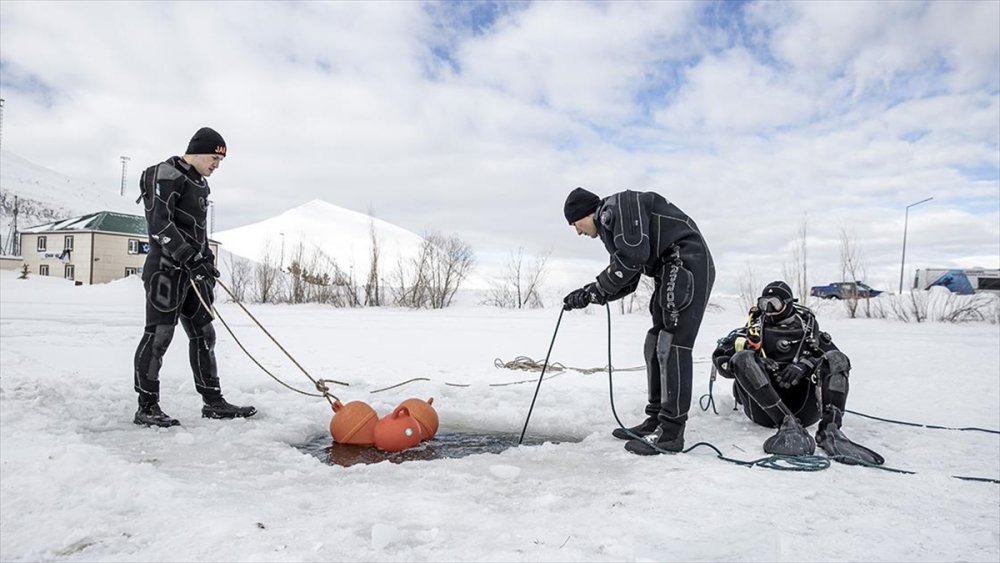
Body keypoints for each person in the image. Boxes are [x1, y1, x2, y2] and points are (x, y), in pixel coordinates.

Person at [562, 187, 715, 455]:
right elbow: (628, 278)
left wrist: (597, 287)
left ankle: (671, 432)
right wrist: (589, 294)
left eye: (576, 224)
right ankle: (656, 418)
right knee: (654, 341)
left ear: (586, 213)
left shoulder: (620, 207)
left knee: (673, 342)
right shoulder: (612, 226)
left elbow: (632, 257)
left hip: (687, 261)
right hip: (669, 267)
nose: (578, 232)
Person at [132, 127, 256, 427]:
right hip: (166, 269)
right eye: (214, 157)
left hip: (193, 273)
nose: (217, 165)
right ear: (198, 151)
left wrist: (206, 260)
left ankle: (213, 402)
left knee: (204, 334)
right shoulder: (164, 174)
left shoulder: (199, 183)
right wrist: (188, 256)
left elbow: (196, 230)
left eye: (220, 160)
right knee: (159, 335)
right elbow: (160, 225)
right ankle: (147, 406)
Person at [711, 281, 884, 464]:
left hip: (806, 410)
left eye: (775, 304)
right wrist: (755, 364)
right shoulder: (751, 331)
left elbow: (838, 362)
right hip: (763, 412)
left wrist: (806, 364)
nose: (769, 309)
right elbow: (722, 361)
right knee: (743, 357)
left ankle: (830, 430)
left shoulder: (809, 333)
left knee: (837, 358)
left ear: (788, 303)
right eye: (764, 303)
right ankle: (786, 424)